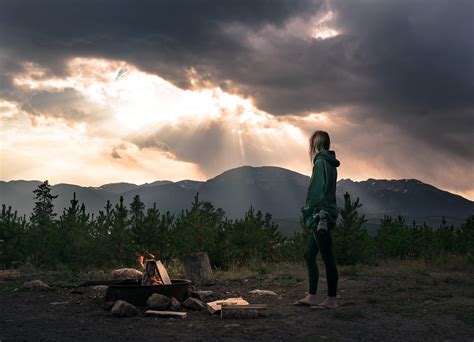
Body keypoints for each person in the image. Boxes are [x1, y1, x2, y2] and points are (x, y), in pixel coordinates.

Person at [295, 130, 340, 309]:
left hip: (320, 216)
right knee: (309, 254)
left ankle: (331, 299)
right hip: (327, 213)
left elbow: (316, 191)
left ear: (315, 144)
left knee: (327, 257)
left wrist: (309, 210)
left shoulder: (320, 162)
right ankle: (312, 296)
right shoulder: (330, 163)